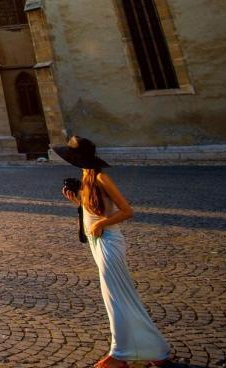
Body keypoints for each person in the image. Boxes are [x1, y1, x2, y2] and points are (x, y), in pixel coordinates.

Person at [56, 136, 172, 368]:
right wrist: (78, 201)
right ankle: (156, 350)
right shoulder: (86, 177)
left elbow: (127, 211)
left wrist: (100, 224)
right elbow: (95, 209)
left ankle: (120, 354)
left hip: (109, 242)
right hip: (96, 243)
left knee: (117, 298)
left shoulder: (101, 177)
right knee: (119, 298)